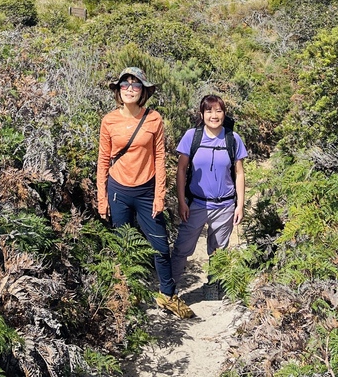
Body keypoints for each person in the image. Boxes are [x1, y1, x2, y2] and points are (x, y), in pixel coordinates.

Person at [97, 67, 194, 319]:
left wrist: (160, 195)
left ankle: (167, 295)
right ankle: (127, 295)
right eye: (125, 84)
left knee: (160, 246)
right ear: (118, 90)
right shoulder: (109, 121)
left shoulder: (154, 119)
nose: (130, 89)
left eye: (136, 85)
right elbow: (103, 161)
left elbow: (160, 157)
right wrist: (102, 198)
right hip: (118, 190)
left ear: (143, 91)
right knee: (124, 245)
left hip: (146, 191)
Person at [172, 94, 248, 298]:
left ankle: (213, 287)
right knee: (182, 248)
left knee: (218, 251)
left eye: (218, 111)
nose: (214, 115)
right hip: (196, 204)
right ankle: (170, 288)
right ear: (201, 114)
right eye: (209, 111)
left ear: (224, 113)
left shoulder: (233, 138)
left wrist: (240, 205)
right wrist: (181, 201)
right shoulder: (192, 136)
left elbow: (239, 173)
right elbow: (181, 170)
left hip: (224, 206)